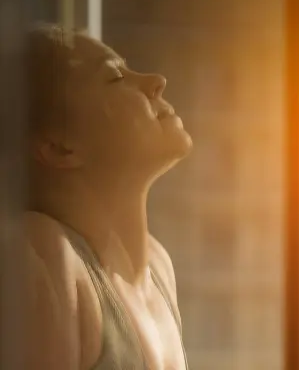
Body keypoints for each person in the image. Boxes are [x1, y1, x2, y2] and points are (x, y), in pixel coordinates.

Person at [8, 24, 191, 370]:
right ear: (59, 147)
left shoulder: (158, 266)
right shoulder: (40, 256)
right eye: (115, 77)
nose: (156, 81)